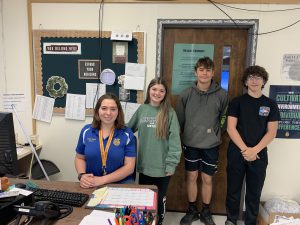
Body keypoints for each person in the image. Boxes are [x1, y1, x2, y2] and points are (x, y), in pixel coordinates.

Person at [176, 57, 229, 225]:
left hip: (211, 145)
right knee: (191, 176)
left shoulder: (221, 94)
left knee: (207, 179)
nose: (204, 73)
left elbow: (224, 119)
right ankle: (192, 210)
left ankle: (206, 211)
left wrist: (215, 134)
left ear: (213, 73)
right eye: (201, 70)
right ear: (196, 72)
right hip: (190, 144)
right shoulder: (186, 94)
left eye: (208, 70)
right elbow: (179, 121)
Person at [225, 66, 280, 225]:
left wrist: (254, 150)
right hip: (237, 153)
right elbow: (230, 128)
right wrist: (245, 150)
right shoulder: (237, 102)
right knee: (233, 191)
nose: (254, 81)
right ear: (245, 81)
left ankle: (250, 221)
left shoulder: (270, 104)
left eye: (258, 77)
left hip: (259, 154)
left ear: (263, 81)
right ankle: (231, 219)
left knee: (254, 193)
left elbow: (272, 132)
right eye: (250, 77)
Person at [127, 78, 182, 225]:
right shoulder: (142, 109)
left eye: (161, 90)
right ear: (149, 90)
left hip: (163, 167)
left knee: (159, 199)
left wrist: (171, 164)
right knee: (145, 200)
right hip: (145, 166)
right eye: (154, 89)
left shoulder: (170, 113)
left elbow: (175, 141)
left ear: (165, 93)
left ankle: (159, 222)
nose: (157, 93)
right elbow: (128, 129)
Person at [75, 93, 136, 188]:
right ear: (97, 111)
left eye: (113, 109)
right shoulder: (86, 131)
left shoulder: (127, 134)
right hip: (92, 183)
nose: (108, 113)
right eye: (104, 108)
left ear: (118, 112)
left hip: (120, 183)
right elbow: (79, 158)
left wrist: (102, 180)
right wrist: (82, 175)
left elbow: (129, 167)